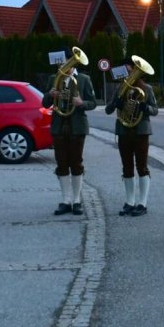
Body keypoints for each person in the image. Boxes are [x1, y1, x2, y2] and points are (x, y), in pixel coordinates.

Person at [42, 48, 97, 216]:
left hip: (77, 125)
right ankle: (65, 200)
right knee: (61, 163)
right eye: (59, 62)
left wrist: (81, 102)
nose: (61, 64)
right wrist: (50, 94)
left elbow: (93, 102)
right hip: (59, 125)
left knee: (76, 162)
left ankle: (77, 200)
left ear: (71, 60)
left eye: (64, 61)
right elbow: (44, 103)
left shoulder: (83, 79)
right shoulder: (53, 78)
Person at [104, 56, 158, 217]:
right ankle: (129, 202)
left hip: (141, 131)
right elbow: (107, 110)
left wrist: (144, 107)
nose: (128, 73)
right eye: (126, 69)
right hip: (124, 131)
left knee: (142, 167)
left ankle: (142, 203)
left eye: (130, 69)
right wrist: (116, 104)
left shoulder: (146, 88)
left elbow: (155, 110)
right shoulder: (120, 88)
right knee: (126, 167)